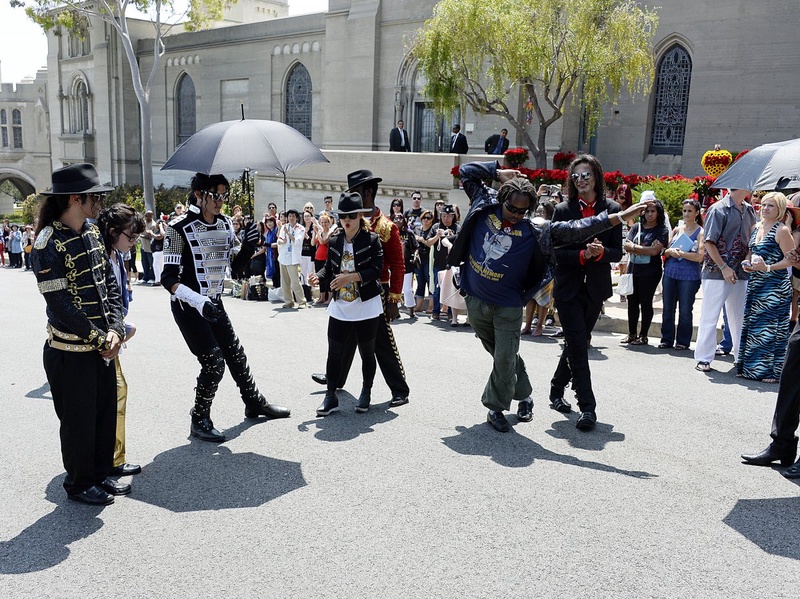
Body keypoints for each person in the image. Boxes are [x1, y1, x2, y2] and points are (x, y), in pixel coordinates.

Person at [450, 160, 648, 433]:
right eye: (511, 208)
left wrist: (619, 217)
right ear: (503, 198)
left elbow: (581, 228)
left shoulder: (536, 229)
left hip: (508, 305)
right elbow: (465, 171)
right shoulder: (484, 203)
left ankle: (495, 407)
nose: (516, 215)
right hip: (475, 299)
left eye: (522, 211)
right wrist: (497, 172)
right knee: (501, 355)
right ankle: (526, 394)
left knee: (505, 357)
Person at [161, 173, 290, 442]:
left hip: (215, 302)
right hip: (188, 306)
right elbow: (168, 279)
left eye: (223, 196)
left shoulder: (225, 223)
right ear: (199, 195)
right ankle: (199, 418)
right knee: (213, 361)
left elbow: (237, 269)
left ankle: (253, 402)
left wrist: (251, 247)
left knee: (235, 353)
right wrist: (199, 302)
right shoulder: (177, 227)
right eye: (215, 195)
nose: (220, 202)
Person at [31, 163, 128, 505]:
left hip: (102, 346)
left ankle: (100, 474)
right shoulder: (47, 244)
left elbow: (111, 288)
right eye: (95, 196)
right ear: (75, 198)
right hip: (69, 351)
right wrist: (99, 338)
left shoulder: (92, 232)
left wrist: (115, 329)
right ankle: (79, 482)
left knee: (103, 413)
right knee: (78, 422)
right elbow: (59, 304)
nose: (100, 201)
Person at [310, 169, 410, 407]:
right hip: (345, 292)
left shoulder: (386, 227)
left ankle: (399, 388)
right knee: (345, 337)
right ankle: (336, 379)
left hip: (376, 290)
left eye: (354, 193)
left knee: (380, 343)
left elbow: (397, 264)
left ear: (367, 192)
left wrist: (394, 299)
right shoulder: (343, 227)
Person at [549, 154, 623, 430]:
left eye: (586, 175)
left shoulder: (613, 208)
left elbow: (618, 251)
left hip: (595, 288)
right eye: (576, 176)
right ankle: (587, 407)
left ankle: (556, 389)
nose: (581, 180)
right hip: (568, 288)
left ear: (597, 176)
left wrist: (603, 252)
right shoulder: (562, 210)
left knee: (576, 342)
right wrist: (581, 254)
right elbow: (554, 252)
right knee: (579, 346)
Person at [310, 193, 384, 415]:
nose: (346, 220)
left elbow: (376, 270)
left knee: (367, 353)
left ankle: (366, 393)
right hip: (341, 304)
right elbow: (329, 269)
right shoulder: (334, 240)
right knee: (334, 352)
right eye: (342, 216)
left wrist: (350, 278)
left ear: (360, 215)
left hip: (366, 304)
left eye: (351, 215)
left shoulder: (371, 240)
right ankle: (330, 395)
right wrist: (318, 276)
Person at [96, 203, 146, 477]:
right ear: (113, 231)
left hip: (112, 335)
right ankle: (110, 461)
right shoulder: (102, 256)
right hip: (101, 340)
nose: (134, 241)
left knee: (117, 395)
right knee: (113, 397)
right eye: (131, 236)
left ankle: (114, 458)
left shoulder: (115, 254)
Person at [693, 188, 757, 372]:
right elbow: (709, 242)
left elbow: (751, 240)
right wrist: (724, 267)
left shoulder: (749, 210)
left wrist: (749, 256)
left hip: (741, 270)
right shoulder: (718, 209)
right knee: (710, 315)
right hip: (716, 271)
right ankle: (704, 357)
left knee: (739, 316)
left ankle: (740, 357)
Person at [737, 192, 794, 381]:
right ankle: (751, 368)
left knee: (771, 329)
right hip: (757, 283)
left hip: (775, 286)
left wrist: (768, 267)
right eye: (763, 205)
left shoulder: (782, 230)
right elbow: (750, 252)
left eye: (771, 206)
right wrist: (747, 264)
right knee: (755, 326)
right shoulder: (757, 227)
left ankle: (772, 372)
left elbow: (791, 260)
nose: (765, 208)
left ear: (780, 210)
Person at [622, 198, 669, 345]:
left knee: (646, 302)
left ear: (658, 213)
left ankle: (643, 335)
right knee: (632, 303)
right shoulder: (636, 227)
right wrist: (644, 249)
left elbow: (655, 251)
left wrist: (635, 248)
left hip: (651, 272)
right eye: (647, 211)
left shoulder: (662, 230)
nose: (649, 214)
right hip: (634, 269)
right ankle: (631, 334)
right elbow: (626, 245)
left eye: (653, 211)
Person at [659, 199, 705, 350]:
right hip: (671, 273)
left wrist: (682, 254)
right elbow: (665, 251)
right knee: (667, 307)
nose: (686, 214)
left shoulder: (701, 232)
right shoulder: (677, 230)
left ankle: (683, 341)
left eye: (690, 211)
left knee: (685, 309)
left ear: (697, 213)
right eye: (684, 210)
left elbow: (700, 257)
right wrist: (670, 251)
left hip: (689, 275)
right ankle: (666, 339)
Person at [277, 209, 307, 309]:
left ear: (297, 218)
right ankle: (288, 301)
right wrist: (282, 241)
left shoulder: (300, 228)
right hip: (283, 257)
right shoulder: (284, 227)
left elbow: (297, 242)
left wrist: (289, 234)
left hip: (293, 258)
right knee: (285, 282)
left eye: (293, 216)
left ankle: (301, 301)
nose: (291, 218)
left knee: (295, 281)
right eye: (289, 216)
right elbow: (279, 240)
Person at [392, 212, 419, 318]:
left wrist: (415, 256)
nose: (398, 220)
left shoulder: (409, 233)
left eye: (400, 218)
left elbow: (416, 247)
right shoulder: (390, 232)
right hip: (393, 264)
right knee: (394, 288)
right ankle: (396, 309)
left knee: (407, 288)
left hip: (407, 264)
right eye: (395, 218)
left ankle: (411, 309)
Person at [414, 209, 436, 314]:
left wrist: (423, 240)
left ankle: (431, 307)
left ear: (432, 220)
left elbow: (431, 243)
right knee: (420, 282)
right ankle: (418, 306)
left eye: (428, 218)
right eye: (424, 217)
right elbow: (412, 242)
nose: (426, 220)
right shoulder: (417, 229)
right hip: (418, 260)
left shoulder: (433, 230)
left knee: (429, 282)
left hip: (429, 260)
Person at [312, 212, 336, 305]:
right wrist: (315, 232)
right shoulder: (320, 232)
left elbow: (322, 241)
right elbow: (313, 243)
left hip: (326, 257)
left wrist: (318, 231)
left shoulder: (330, 232)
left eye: (325, 222)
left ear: (329, 223)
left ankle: (329, 298)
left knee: (328, 278)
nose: (323, 224)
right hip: (318, 257)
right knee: (320, 278)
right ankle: (321, 297)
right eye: (322, 222)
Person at [139, 210, 158, 284]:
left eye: (148, 215)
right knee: (144, 263)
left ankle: (152, 278)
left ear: (151, 216)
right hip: (143, 247)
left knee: (152, 264)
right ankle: (145, 277)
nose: (146, 217)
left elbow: (151, 237)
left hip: (150, 248)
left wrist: (142, 236)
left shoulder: (153, 225)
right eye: (146, 215)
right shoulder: (144, 223)